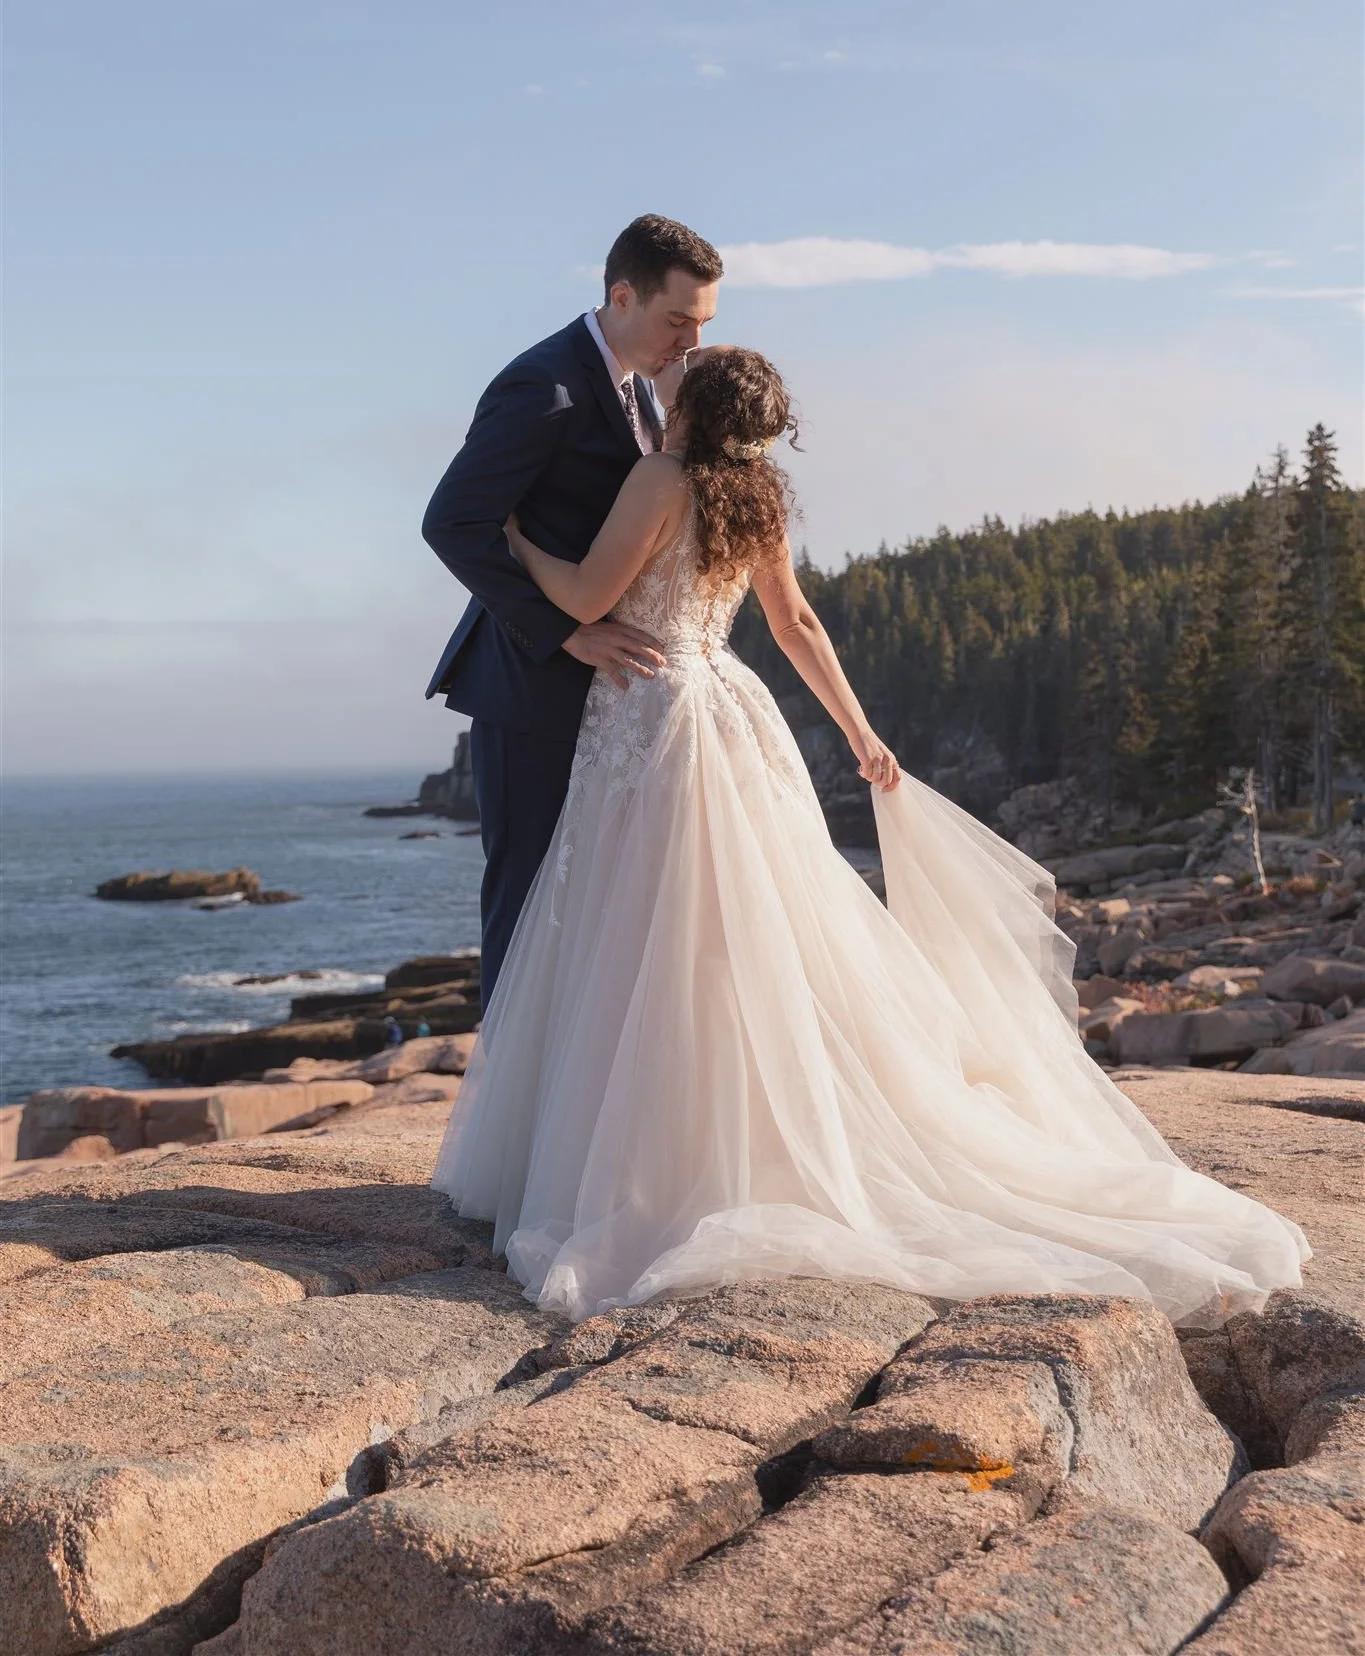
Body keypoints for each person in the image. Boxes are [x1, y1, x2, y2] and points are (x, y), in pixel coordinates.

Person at [431, 348, 1309, 1328]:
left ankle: (656, 1155)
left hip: (654, 710)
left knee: (642, 927)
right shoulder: (757, 496)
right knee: (742, 932)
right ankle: (743, 1130)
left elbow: (589, 598)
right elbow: (797, 623)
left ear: (696, 405)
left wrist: (517, 543)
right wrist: (859, 731)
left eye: (686, 368)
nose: (668, 369)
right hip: (732, 706)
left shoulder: (658, 476)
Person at [421, 214, 724, 1011]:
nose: (691, 342)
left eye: (702, 323)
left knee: (597, 909)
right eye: (677, 319)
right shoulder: (543, 387)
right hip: (529, 689)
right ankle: (510, 1089)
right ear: (622, 297)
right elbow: (451, 523)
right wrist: (565, 632)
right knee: (529, 905)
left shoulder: (644, 390)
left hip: (614, 699)